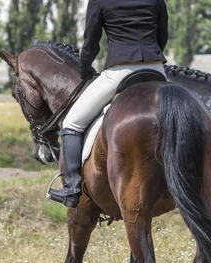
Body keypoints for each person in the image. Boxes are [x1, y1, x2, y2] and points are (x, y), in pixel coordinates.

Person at [48, 0, 169, 208]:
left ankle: (72, 188)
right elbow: (162, 34)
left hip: (120, 70)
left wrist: (84, 67)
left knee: (71, 123)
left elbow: (91, 41)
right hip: (156, 69)